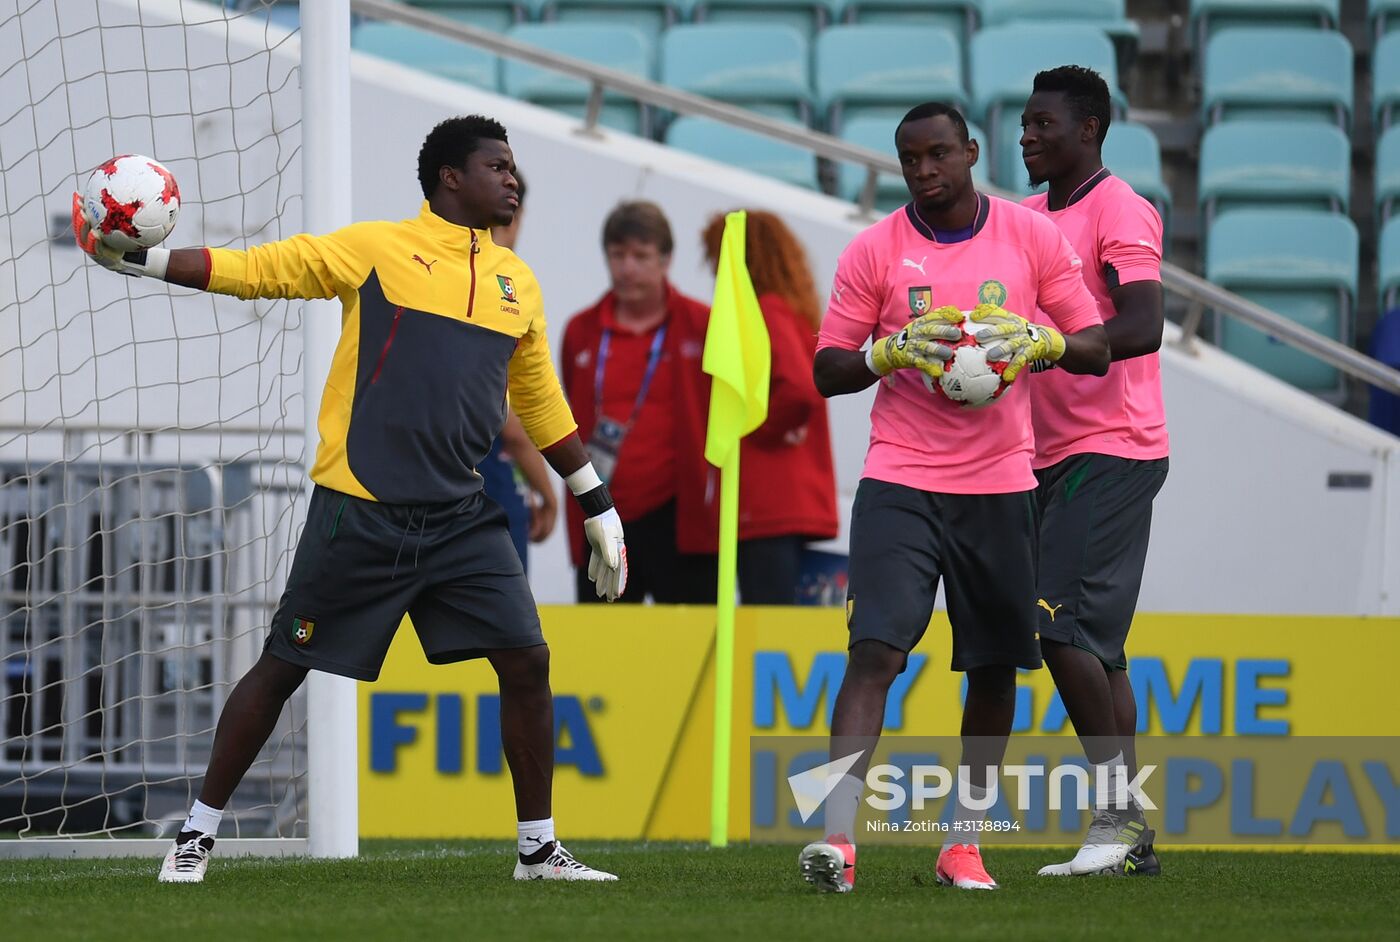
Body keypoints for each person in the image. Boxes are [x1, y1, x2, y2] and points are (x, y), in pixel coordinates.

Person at [74, 115, 627, 884]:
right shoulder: (375, 249)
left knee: (528, 659)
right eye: (497, 166)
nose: (512, 179)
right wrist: (153, 260)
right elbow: (266, 269)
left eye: (513, 167)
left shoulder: (516, 284)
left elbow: (540, 402)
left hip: (462, 515)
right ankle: (195, 837)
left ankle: (538, 851)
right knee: (281, 666)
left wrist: (596, 502)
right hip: (361, 508)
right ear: (450, 179)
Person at [796, 101, 1109, 894]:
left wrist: (1044, 343)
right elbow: (826, 369)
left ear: (972, 151)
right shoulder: (875, 250)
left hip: (1002, 482)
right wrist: (888, 350)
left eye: (939, 154)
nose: (925, 171)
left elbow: (1100, 347)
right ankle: (838, 841)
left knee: (995, 666)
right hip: (900, 476)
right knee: (876, 651)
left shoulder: (1032, 238)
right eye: (910, 160)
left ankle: (961, 845)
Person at [1019, 65, 1169, 878]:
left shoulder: (1121, 208)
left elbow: (1144, 324)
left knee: (1058, 628)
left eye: (1042, 123)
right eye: (1023, 122)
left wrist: (1052, 344)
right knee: (1100, 649)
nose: (1026, 136)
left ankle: (1116, 817)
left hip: (1112, 447)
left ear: (1090, 130)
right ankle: (1129, 838)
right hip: (1047, 453)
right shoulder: (1028, 216)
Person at [559, 201, 713, 603]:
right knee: (604, 649)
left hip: (679, 517)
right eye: (617, 255)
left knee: (686, 647)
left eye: (640, 256)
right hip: (600, 510)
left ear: (666, 259)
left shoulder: (702, 324)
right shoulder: (581, 330)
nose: (627, 267)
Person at [686, 210, 838, 604]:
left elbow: (801, 391)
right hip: (785, 500)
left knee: (768, 626)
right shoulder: (789, 310)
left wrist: (752, 425)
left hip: (766, 502)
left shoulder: (766, 311)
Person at [480, 170, 559, 571]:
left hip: (426, 489)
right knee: (507, 630)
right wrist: (549, 492)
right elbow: (509, 420)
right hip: (485, 492)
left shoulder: (432, 276)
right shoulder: (499, 286)